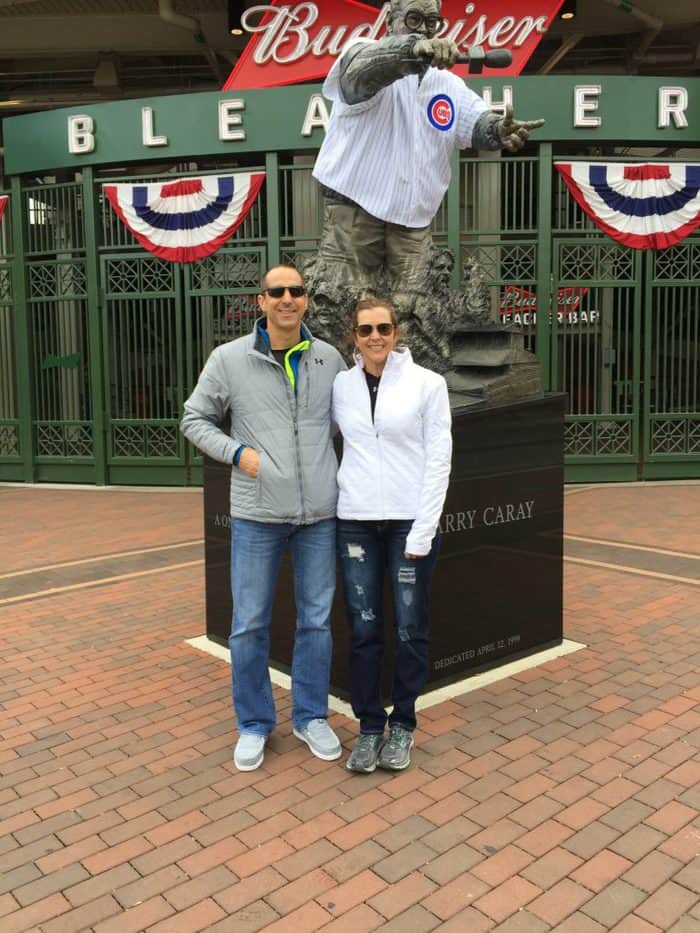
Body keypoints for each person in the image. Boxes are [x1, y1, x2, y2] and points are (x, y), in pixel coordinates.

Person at [181, 264, 346, 771]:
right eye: (277, 292)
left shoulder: (329, 358)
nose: (287, 299)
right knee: (249, 624)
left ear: (306, 300)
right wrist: (236, 454)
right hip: (256, 514)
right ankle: (253, 724)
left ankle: (310, 716)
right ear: (261, 301)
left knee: (315, 622)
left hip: (319, 513)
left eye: (296, 291)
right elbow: (193, 418)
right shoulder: (229, 359)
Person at [312, 0, 545, 285]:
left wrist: (498, 129)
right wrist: (410, 49)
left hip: (413, 222)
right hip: (354, 213)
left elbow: (475, 122)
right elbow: (359, 73)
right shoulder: (363, 52)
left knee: (417, 312)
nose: (423, 29)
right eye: (413, 19)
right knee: (344, 305)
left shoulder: (448, 84)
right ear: (389, 21)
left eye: (431, 22)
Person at [332, 297, 452, 772]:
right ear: (353, 336)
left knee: (408, 629)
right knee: (363, 628)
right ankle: (367, 726)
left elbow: (439, 458)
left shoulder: (428, 384)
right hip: (356, 520)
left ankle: (402, 723)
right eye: (365, 330)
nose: (375, 336)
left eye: (383, 327)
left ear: (397, 332)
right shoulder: (341, 386)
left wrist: (423, 529)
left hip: (409, 522)